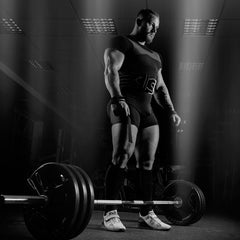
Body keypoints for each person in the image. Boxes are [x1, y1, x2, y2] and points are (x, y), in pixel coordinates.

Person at [103, 9, 181, 232]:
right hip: (126, 103)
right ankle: (110, 212)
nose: (155, 30)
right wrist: (117, 97)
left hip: (147, 111)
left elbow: (161, 87)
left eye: (157, 27)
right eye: (151, 25)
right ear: (139, 21)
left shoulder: (156, 56)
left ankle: (146, 213)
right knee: (122, 155)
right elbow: (111, 70)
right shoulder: (123, 42)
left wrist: (172, 111)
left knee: (147, 162)